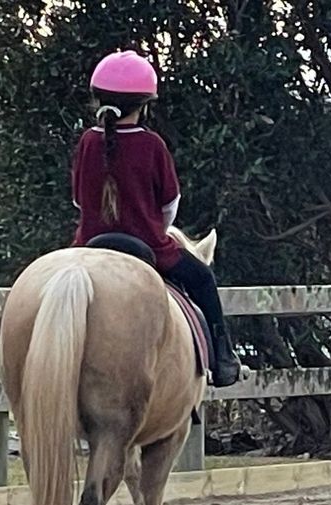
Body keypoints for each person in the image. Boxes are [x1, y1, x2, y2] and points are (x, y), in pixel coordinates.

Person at [70, 50, 244, 388]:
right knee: (203, 279)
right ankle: (222, 359)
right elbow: (170, 205)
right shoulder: (152, 144)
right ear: (143, 104)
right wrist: (154, 230)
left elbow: (78, 199)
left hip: (88, 247)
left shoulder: (87, 142)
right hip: (146, 246)